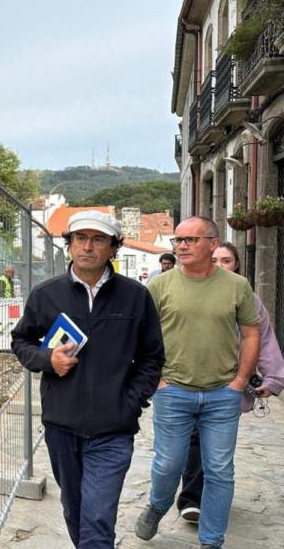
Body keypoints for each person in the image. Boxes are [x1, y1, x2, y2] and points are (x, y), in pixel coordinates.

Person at [11, 210, 165, 548]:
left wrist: (131, 402)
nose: (88, 247)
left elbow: (152, 357)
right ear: (69, 246)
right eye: (80, 239)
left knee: (98, 516)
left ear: (113, 248)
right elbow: (21, 341)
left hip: (113, 429)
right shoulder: (45, 295)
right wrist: (46, 360)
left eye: (98, 240)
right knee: (75, 509)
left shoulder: (135, 296)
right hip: (61, 426)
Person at [135, 217, 260, 549]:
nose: (182, 246)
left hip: (222, 394)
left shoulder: (237, 285)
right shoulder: (160, 285)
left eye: (190, 239)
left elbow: (250, 332)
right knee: (168, 464)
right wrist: (157, 380)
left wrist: (241, 381)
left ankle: (211, 541)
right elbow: (142, 336)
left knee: (219, 469)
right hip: (173, 391)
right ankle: (158, 505)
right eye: (178, 240)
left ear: (213, 243)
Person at [174, 242, 284, 523]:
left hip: (227, 384)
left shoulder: (245, 297)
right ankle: (192, 498)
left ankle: (210, 497)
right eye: (215, 260)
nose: (220, 265)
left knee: (217, 446)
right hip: (186, 380)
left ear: (236, 264)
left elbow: (264, 337)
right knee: (194, 440)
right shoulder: (183, 291)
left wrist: (273, 377)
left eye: (226, 260)